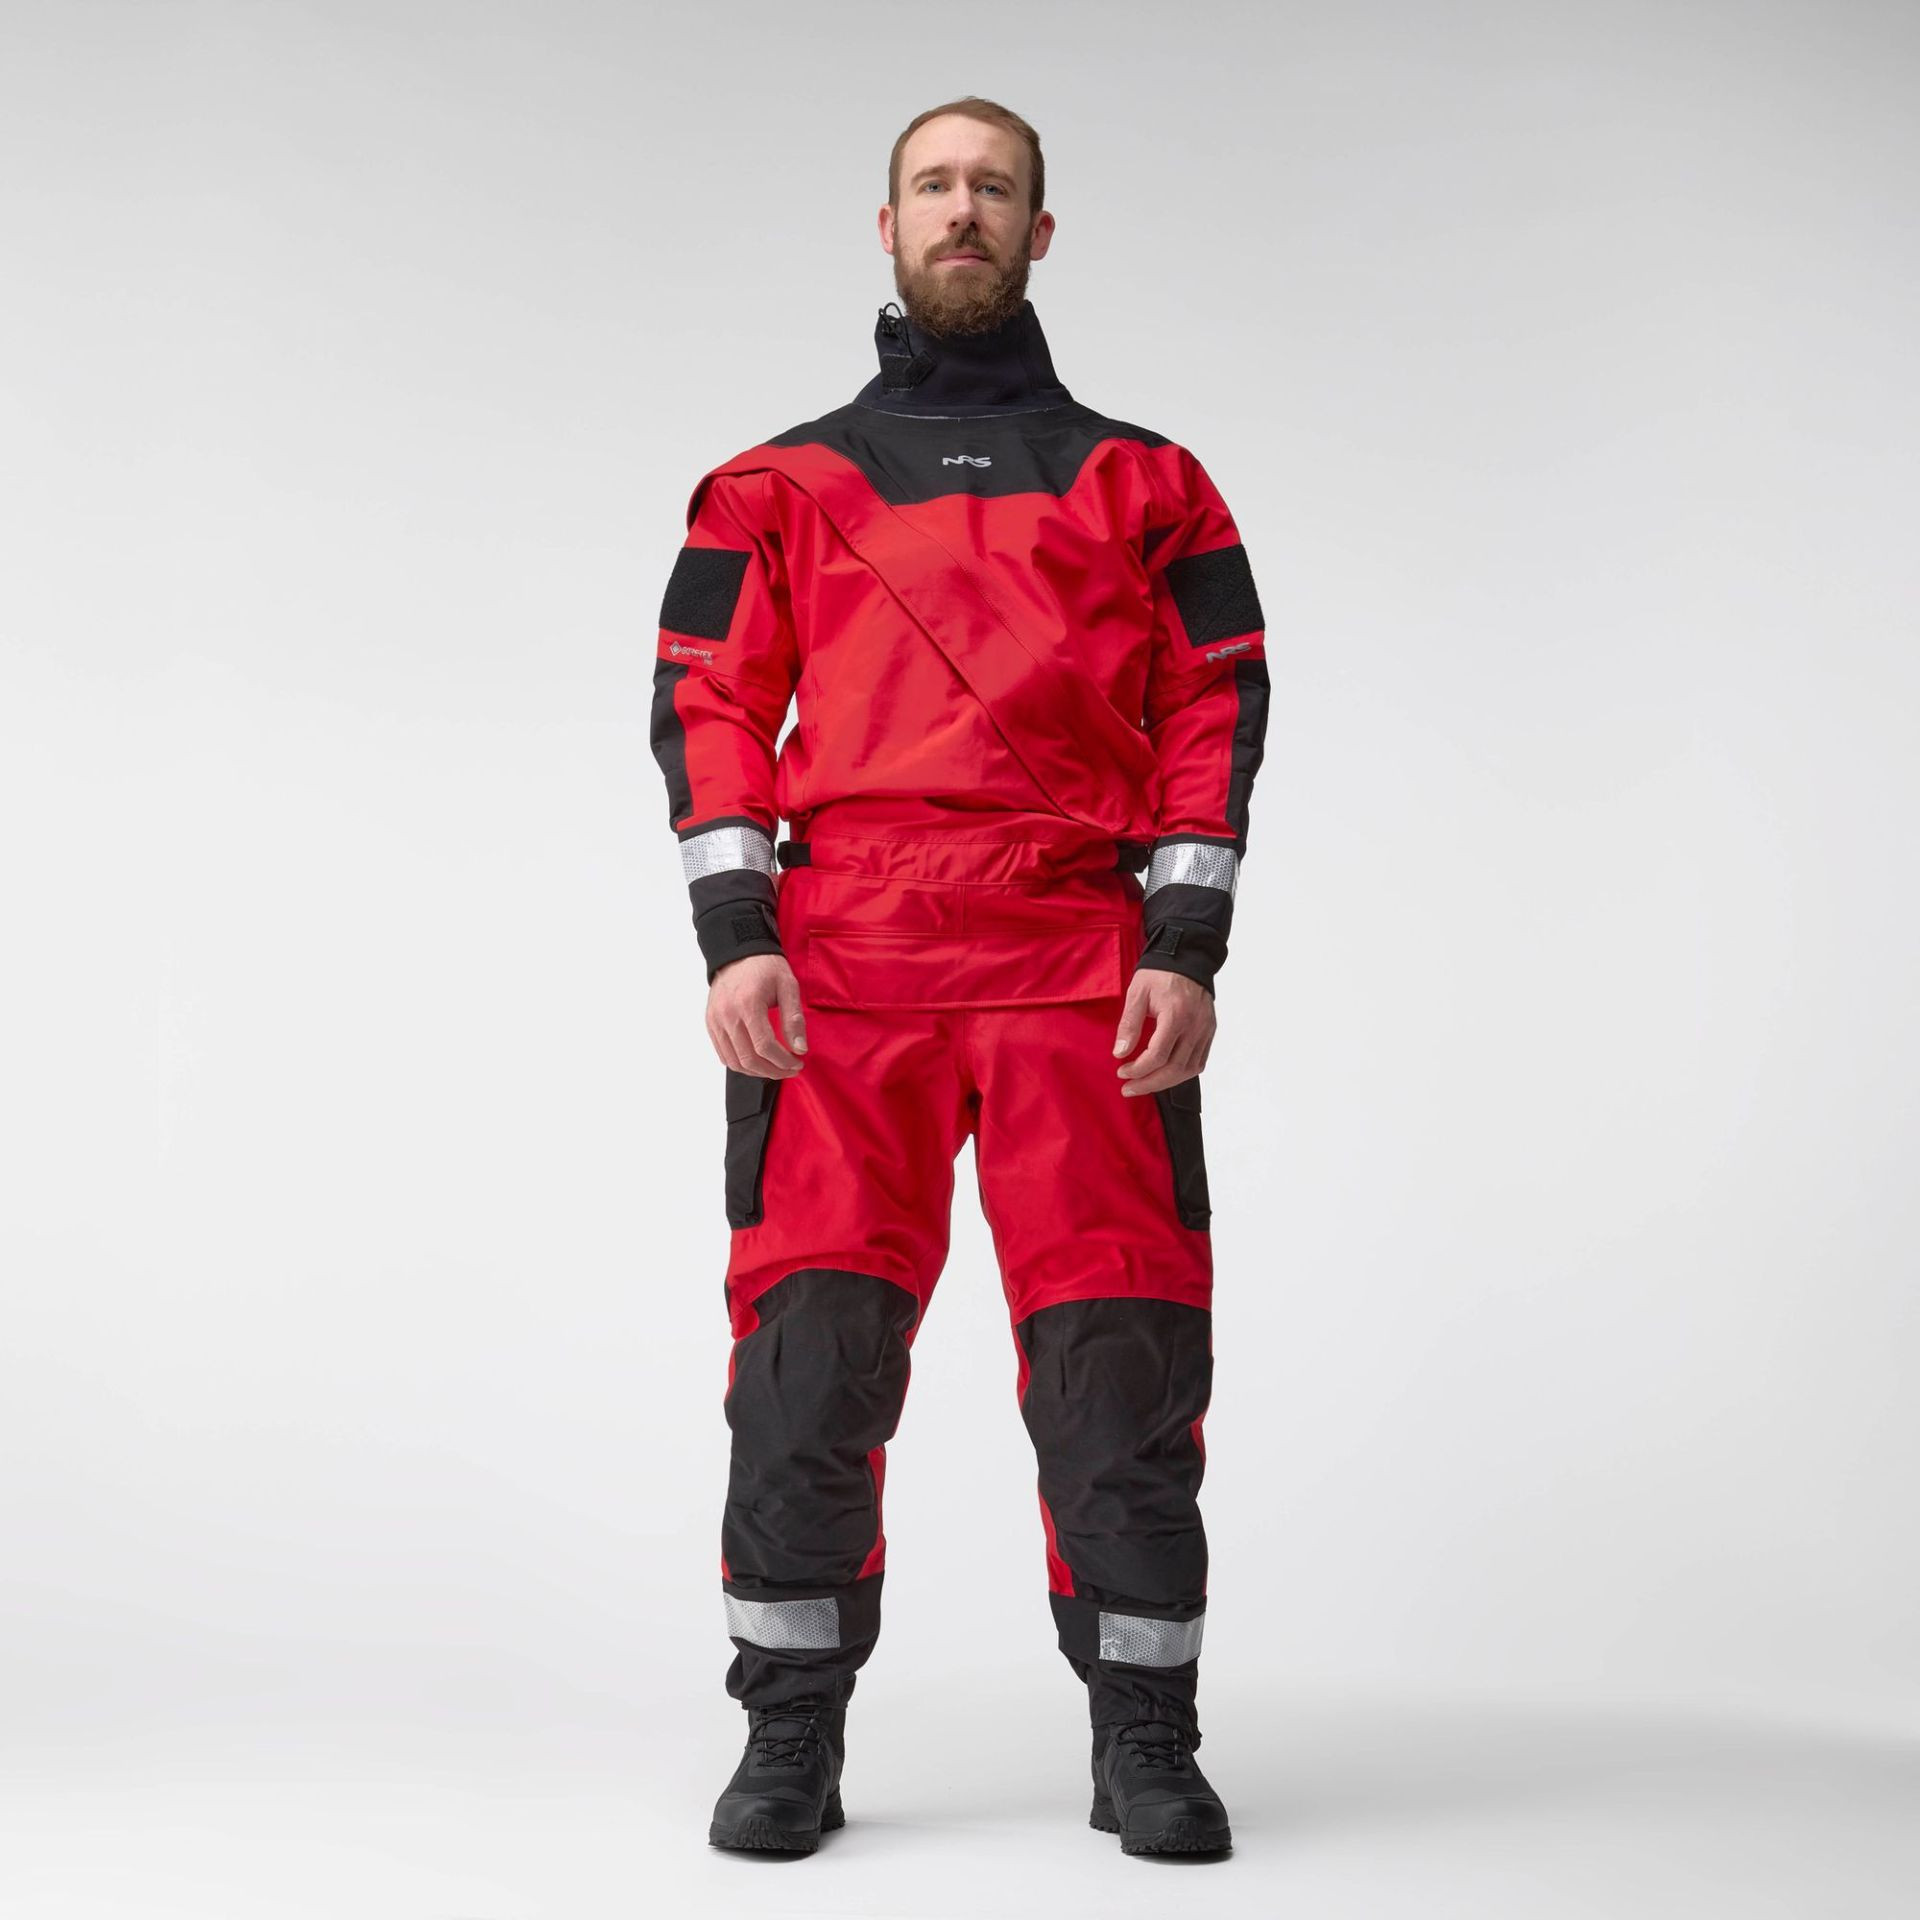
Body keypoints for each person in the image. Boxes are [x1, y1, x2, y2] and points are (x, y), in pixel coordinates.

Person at [650, 95, 1270, 1858]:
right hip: (847, 971)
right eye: (934, 184)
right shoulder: (775, 486)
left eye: (995, 186)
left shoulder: (1153, 484)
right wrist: (739, 933)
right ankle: (790, 1735)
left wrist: (1185, 944)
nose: (964, 209)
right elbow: (704, 698)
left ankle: (1147, 1737)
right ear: (889, 223)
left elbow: (1217, 703)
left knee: (1120, 1359)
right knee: (807, 1363)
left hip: (1083, 965)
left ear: (1040, 231)